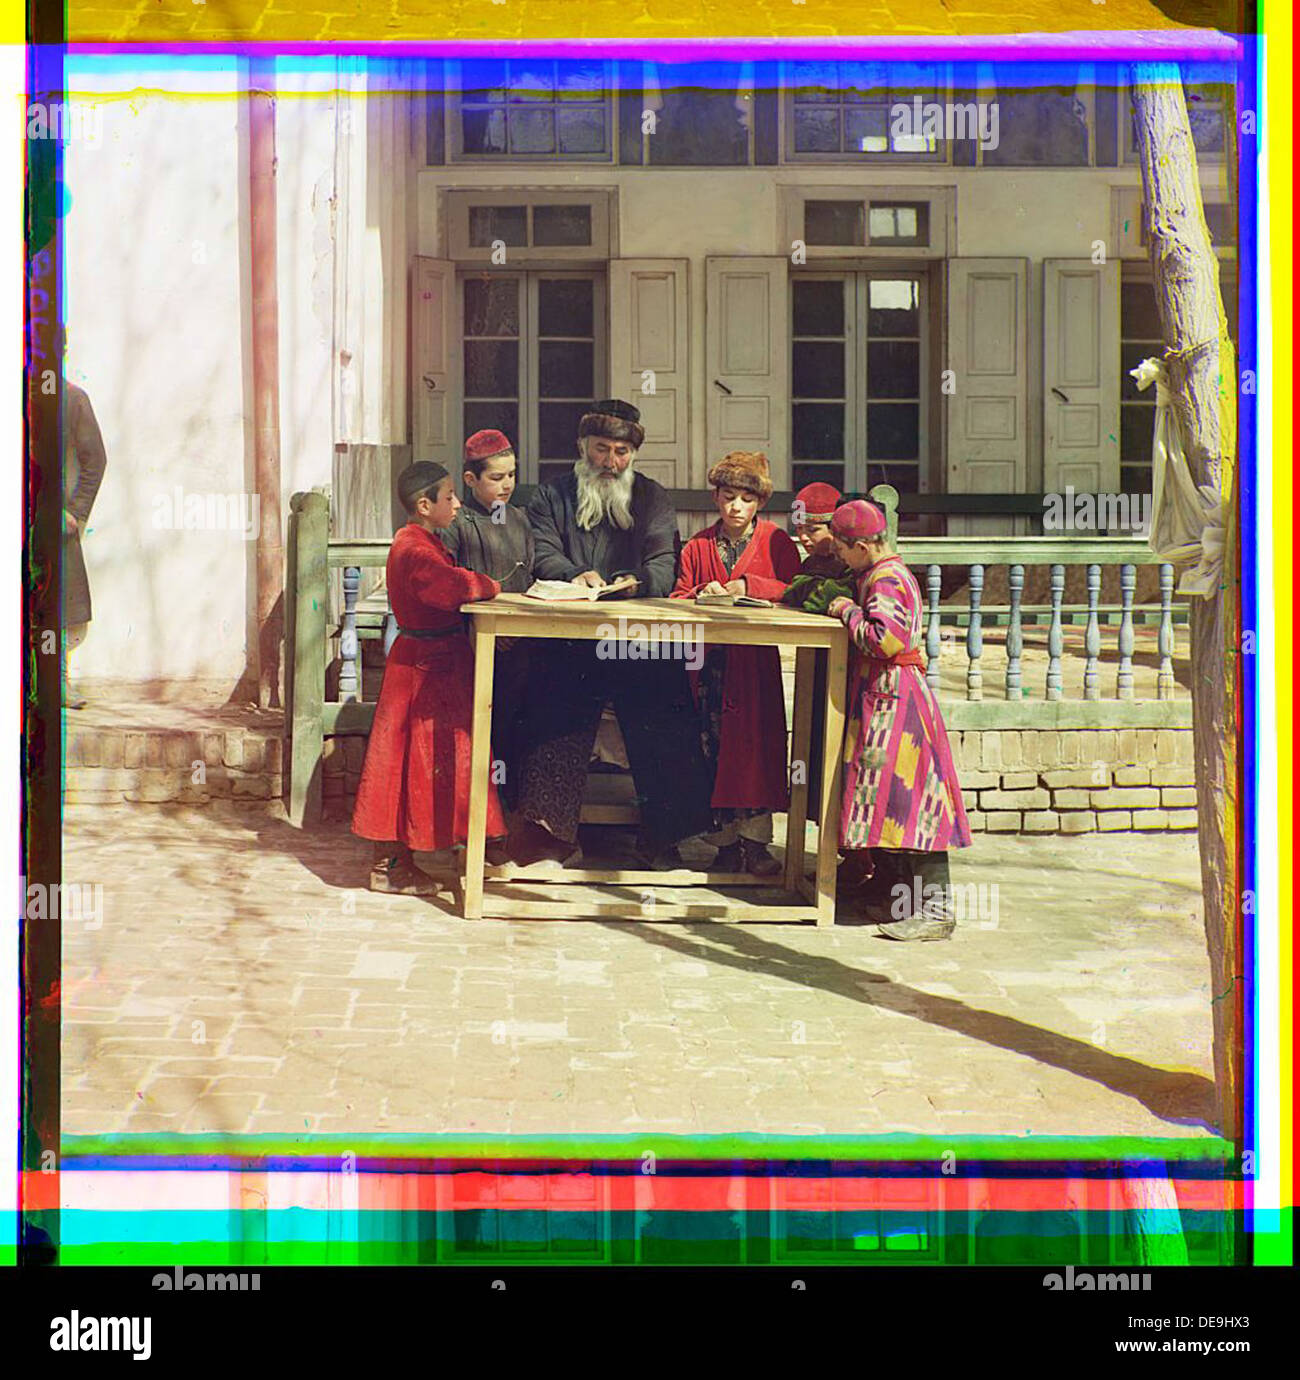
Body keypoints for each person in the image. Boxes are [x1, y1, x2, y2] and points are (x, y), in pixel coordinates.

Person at [512, 399, 714, 868]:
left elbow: (665, 561)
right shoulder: (551, 497)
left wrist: (638, 582)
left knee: (664, 702)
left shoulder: (653, 498)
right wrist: (575, 573)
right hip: (568, 635)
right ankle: (549, 837)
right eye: (601, 449)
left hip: (634, 630)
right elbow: (542, 554)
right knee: (550, 702)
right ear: (583, 448)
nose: (610, 462)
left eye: (621, 452)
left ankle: (664, 837)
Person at [352, 461, 508, 894]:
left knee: (448, 756)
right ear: (425, 505)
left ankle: (467, 843)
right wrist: (488, 584)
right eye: (449, 497)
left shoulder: (421, 540)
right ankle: (390, 866)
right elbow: (452, 587)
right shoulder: (414, 548)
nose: (457, 504)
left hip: (436, 662)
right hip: (422, 669)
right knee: (405, 762)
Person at [824, 499, 971, 940]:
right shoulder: (877, 573)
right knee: (885, 802)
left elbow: (884, 640)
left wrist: (846, 610)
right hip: (882, 697)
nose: (840, 556)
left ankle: (936, 910)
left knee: (913, 801)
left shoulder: (887, 578)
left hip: (897, 700)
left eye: (843, 549)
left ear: (865, 545)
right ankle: (895, 895)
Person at [671, 451, 801, 876]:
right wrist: (700, 595)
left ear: (760, 502)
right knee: (713, 748)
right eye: (728, 497)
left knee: (755, 751)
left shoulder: (776, 542)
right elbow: (677, 597)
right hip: (708, 666)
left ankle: (756, 843)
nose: (736, 508)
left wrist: (750, 585)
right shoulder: (697, 546)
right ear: (716, 498)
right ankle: (723, 844)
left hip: (754, 665)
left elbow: (794, 589)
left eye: (746, 499)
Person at [441, 429, 534, 806]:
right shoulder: (457, 525)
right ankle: (477, 818)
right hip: (475, 647)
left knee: (517, 731)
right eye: (496, 477)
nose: (507, 484)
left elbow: (530, 575)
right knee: (481, 734)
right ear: (470, 479)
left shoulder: (520, 520)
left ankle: (509, 814)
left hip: (522, 647)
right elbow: (448, 586)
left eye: (512, 474)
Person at [63, 382, 108, 710]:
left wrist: (75, 511)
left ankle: (55, 680)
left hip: (50, 521)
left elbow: (95, 460)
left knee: (57, 600)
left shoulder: (72, 399)